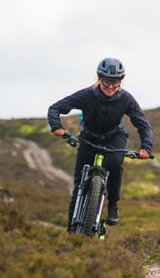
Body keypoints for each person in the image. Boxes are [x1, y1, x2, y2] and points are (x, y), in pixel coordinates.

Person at [47, 58, 153, 229]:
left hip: (114, 136)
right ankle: (71, 232)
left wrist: (146, 147)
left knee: (114, 163)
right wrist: (56, 126)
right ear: (99, 79)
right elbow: (55, 108)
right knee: (79, 184)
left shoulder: (126, 99)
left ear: (121, 82)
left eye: (116, 83)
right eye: (107, 82)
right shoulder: (86, 95)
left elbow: (143, 124)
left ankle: (112, 205)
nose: (111, 87)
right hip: (89, 137)